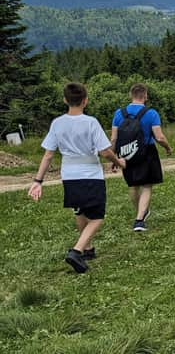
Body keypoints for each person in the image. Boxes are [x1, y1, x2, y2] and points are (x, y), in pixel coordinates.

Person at [28, 83, 127, 273]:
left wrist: (38, 181)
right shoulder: (90, 122)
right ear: (85, 100)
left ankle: (87, 249)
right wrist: (118, 162)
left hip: (69, 175)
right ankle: (76, 250)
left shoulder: (57, 123)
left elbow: (48, 154)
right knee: (97, 217)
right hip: (90, 174)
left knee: (80, 211)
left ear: (65, 100)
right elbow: (105, 151)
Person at [111, 83, 172, 232]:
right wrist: (167, 148)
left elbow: (114, 138)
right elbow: (159, 137)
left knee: (133, 185)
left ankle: (139, 212)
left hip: (126, 153)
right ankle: (139, 220)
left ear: (130, 95)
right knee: (146, 185)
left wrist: (114, 159)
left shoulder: (119, 113)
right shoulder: (151, 113)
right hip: (147, 152)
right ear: (145, 95)